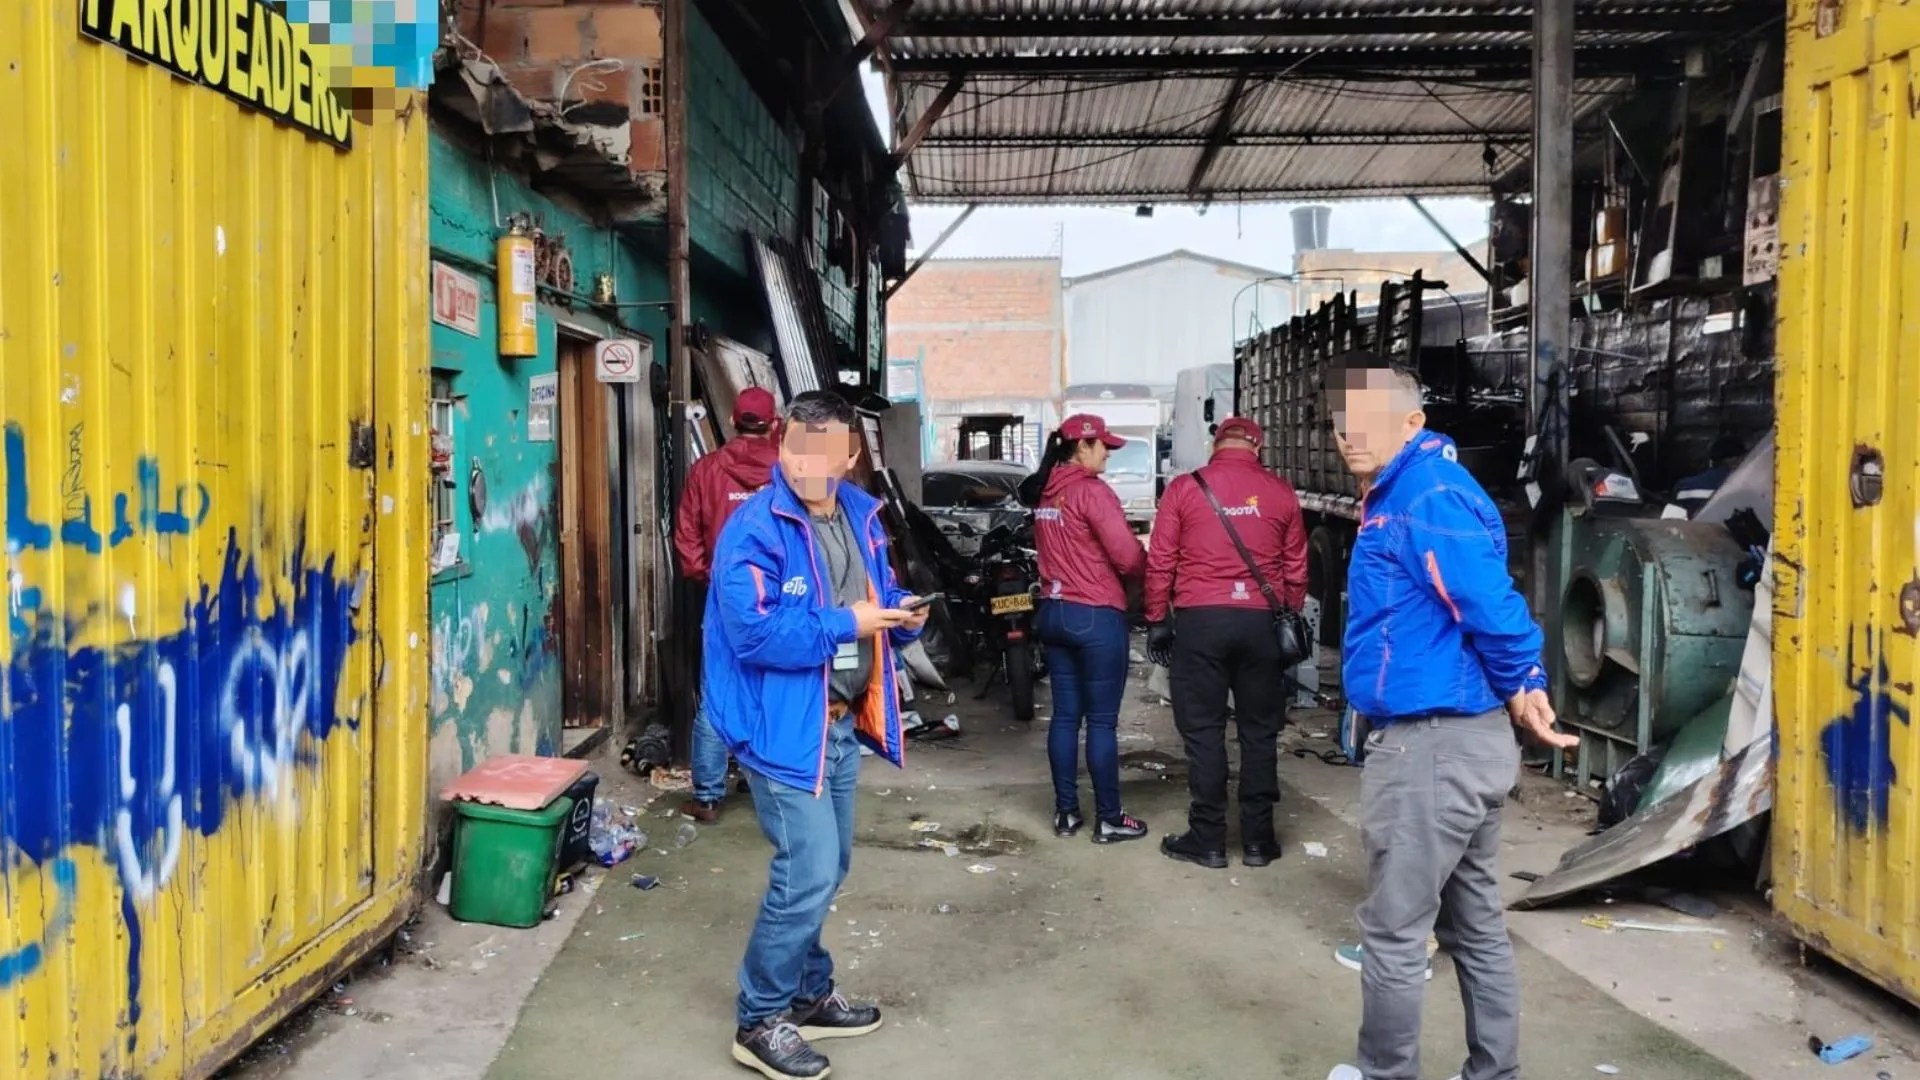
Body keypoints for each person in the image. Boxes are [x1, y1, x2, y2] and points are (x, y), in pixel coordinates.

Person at [1322, 352, 1578, 1080]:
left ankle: (1382, 1074)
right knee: (1476, 929)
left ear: (1413, 420)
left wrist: (1525, 675)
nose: (1350, 435)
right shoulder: (1405, 489)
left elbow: (1487, 602)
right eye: (1342, 421)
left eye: (1367, 420)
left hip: (1433, 748)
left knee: (1395, 935)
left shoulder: (1424, 493)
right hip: (1460, 741)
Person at [703, 390, 930, 1080]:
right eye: (797, 448)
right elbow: (754, 634)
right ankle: (760, 1018)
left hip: (836, 724)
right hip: (780, 729)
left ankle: (806, 991)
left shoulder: (862, 516)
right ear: (781, 447)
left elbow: (876, 594)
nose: (807, 464)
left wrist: (900, 615)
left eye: (823, 451)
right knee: (805, 872)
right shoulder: (753, 530)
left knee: (830, 868)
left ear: (849, 456)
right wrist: (848, 625)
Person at [1144, 417, 1307, 870]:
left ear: (1217, 445)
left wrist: (1158, 618)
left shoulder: (1184, 489)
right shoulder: (1280, 492)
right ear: (1258, 446)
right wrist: (1286, 613)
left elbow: (1161, 561)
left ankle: (1208, 839)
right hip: (1260, 626)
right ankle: (1258, 841)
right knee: (1259, 732)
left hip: (1200, 624)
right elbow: (1295, 567)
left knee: (1203, 732)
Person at [1029, 414, 1150, 844]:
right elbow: (1128, 557)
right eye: (1104, 447)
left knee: (1064, 717)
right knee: (1101, 722)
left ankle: (1066, 814)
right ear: (1082, 447)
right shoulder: (1091, 492)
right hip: (1095, 615)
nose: (1108, 455)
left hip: (1053, 612)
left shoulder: (1045, 491)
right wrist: (1149, 574)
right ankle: (1110, 817)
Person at [672, 386, 780, 824]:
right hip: (780, 598)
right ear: (774, 424)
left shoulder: (706, 470)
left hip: (727, 597)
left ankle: (708, 797)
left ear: (733, 421)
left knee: (718, 693)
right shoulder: (790, 472)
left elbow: (687, 541)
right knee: (774, 689)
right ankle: (769, 786)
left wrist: (713, 578)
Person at [1671, 434, 1745, 516]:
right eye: (1744, 458)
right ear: (1735, 460)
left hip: (1695, 528)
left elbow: (1673, 521)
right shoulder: (1747, 488)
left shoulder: (1684, 486)